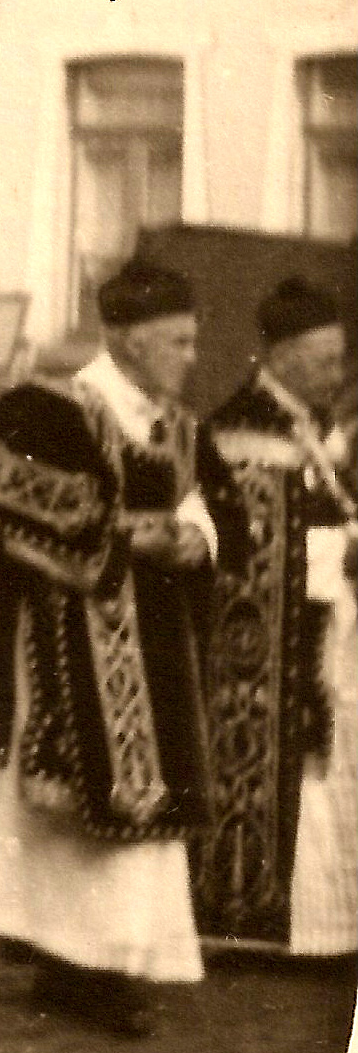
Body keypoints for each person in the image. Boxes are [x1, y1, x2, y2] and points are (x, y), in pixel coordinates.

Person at [0, 259, 217, 1038]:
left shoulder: (173, 423)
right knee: (82, 810)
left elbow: (200, 498)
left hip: (151, 639)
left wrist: (196, 535)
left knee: (137, 800)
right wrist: (123, 536)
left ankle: (96, 958)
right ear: (127, 339)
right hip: (71, 641)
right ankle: (83, 966)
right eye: (178, 341)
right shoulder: (51, 409)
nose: (190, 358)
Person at [194, 275, 354, 956]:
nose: (337, 375)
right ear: (284, 358)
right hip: (265, 634)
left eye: (340, 360)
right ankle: (262, 919)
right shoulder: (246, 428)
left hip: (316, 623)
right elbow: (260, 540)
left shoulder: (303, 421)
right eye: (325, 361)